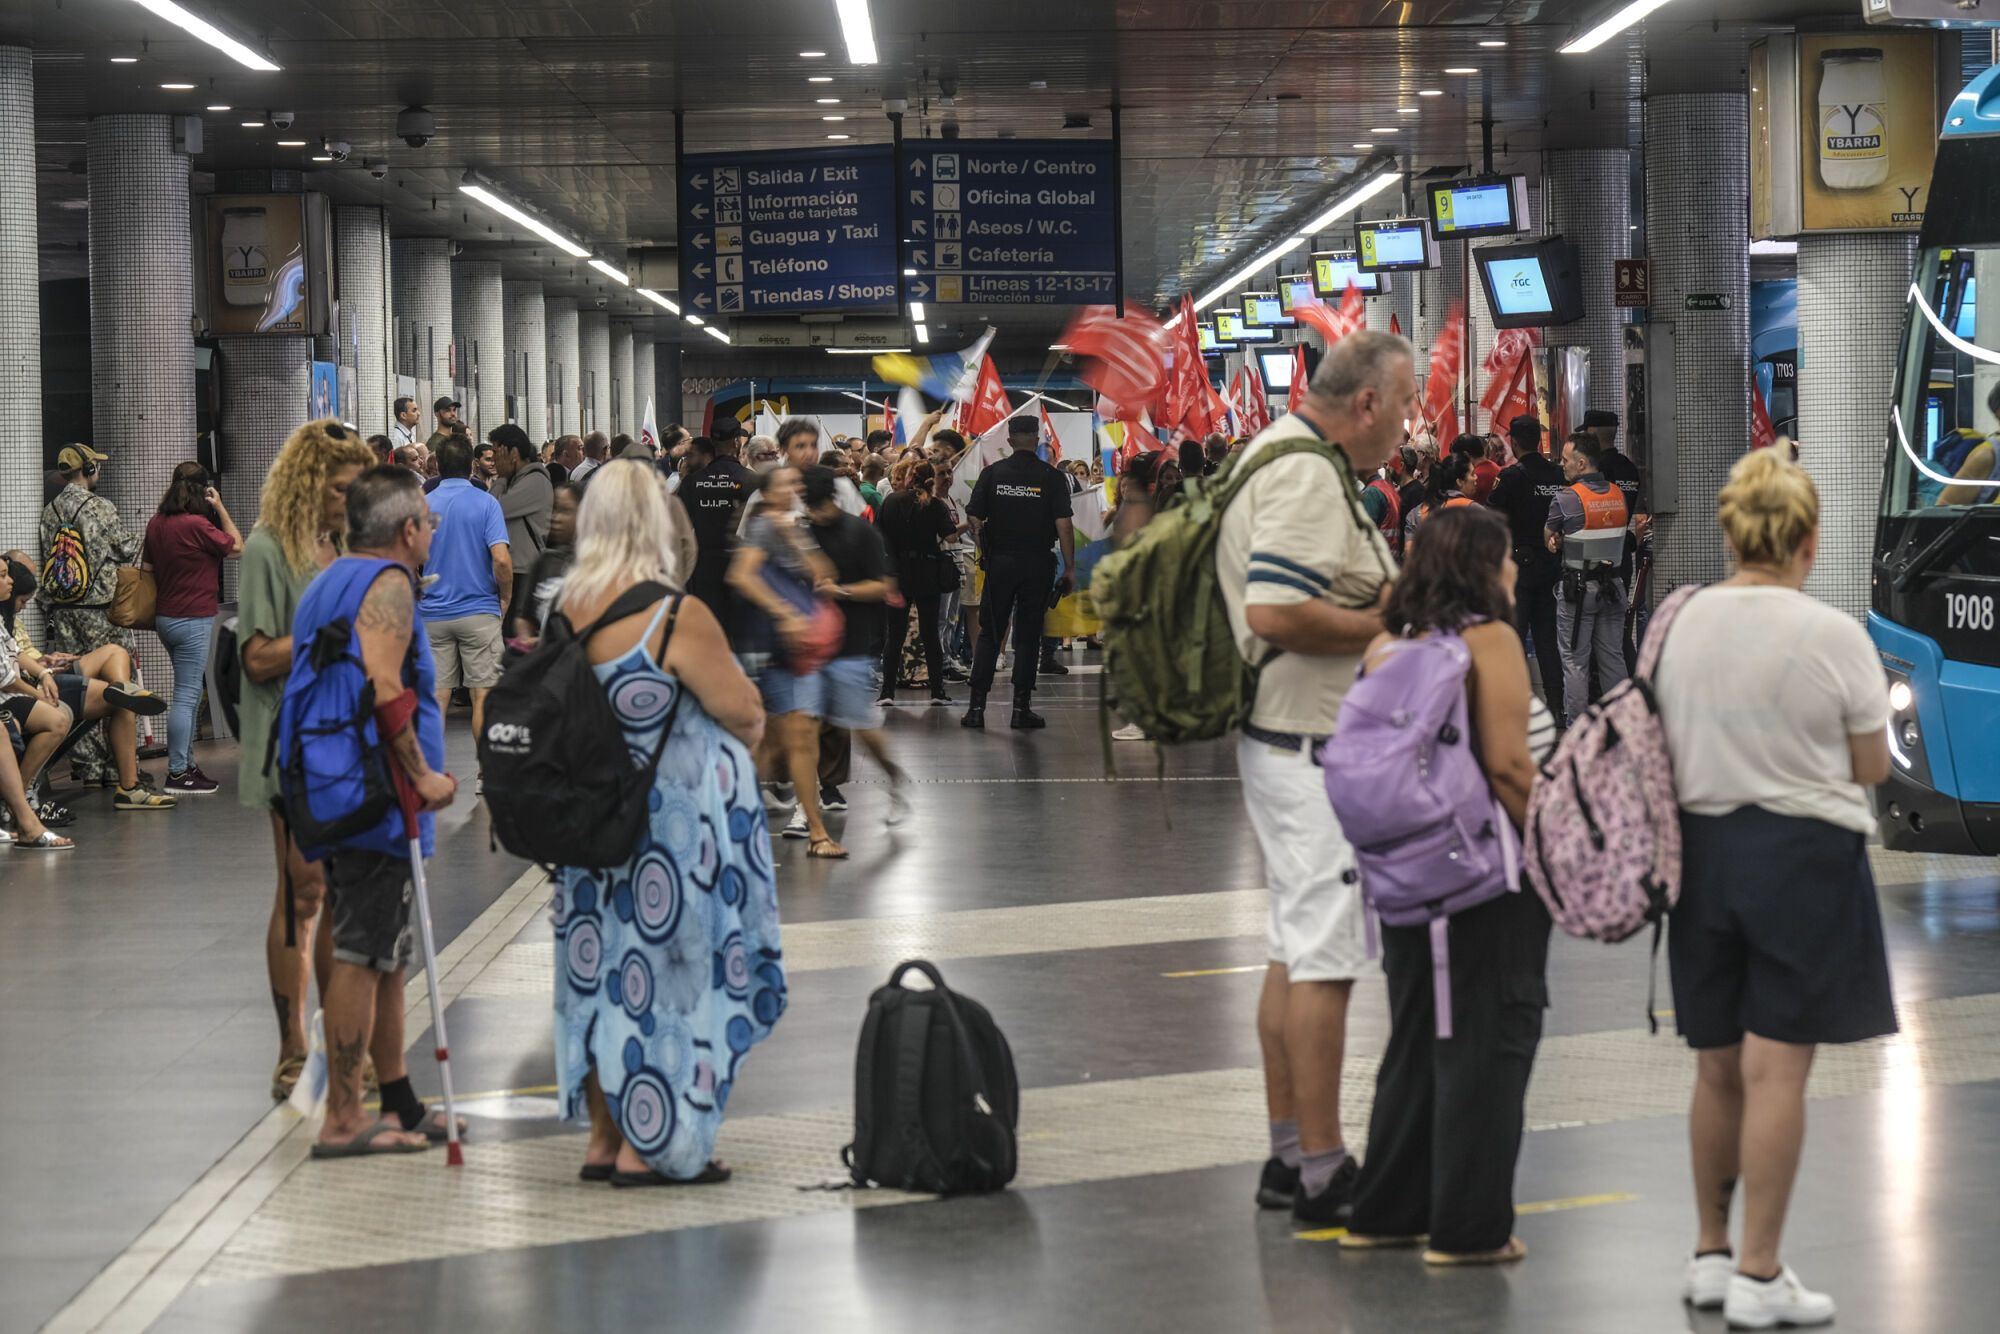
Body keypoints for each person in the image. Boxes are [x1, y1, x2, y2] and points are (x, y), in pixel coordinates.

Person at [1655, 450, 1895, 1329]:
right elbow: (1871, 764)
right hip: (1804, 860)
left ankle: (1713, 1256)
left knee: (1717, 1069)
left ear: (1729, 531)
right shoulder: (1831, 635)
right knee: (1777, 1071)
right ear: (1808, 539)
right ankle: (1763, 1272)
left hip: (1702, 857)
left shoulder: (1679, 625)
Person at [544, 461, 782, 1185]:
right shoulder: (675, 615)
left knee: (598, 974)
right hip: (670, 835)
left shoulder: (563, 609)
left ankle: (601, 1139)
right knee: (669, 982)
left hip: (585, 825)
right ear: (659, 524)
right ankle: (652, 1145)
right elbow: (743, 711)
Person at [1218, 330, 1407, 1225]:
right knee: (1324, 965)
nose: (1406, 430)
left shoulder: (1289, 457)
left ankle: (1288, 1153)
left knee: (1292, 953)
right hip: (1312, 754)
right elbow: (1275, 609)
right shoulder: (1302, 472)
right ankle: (1326, 1171)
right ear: (1367, 402)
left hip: (1289, 744)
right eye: (1404, 408)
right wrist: (1382, 626)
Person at [1341, 505, 1553, 1266]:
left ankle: (1386, 1212)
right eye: (1506, 557)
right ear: (1479, 566)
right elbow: (1507, 766)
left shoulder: (1384, 646)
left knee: (1415, 1042)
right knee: (1490, 1044)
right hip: (1487, 878)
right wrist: (1561, 850)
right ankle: (1469, 1229)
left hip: (1404, 874)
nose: (1517, 569)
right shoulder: (1489, 640)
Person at [290, 465, 460, 1159]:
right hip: (376, 793)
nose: (432, 532)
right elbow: (385, 685)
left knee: (387, 952)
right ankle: (340, 1117)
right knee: (362, 952)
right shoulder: (388, 584)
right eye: (426, 521)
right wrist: (424, 778)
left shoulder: (330, 579)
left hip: (334, 785)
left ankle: (397, 1101)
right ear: (407, 530)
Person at [236, 420, 377, 1100]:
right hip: (289, 744)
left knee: (344, 893)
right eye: (339, 490)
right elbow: (257, 656)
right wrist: (322, 635)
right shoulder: (268, 549)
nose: (348, 501)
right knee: (303, 889)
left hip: (351, 741)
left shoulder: (351, 547)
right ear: (309, 483)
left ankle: (343, 1040)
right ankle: (292, 1044)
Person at [727, 466, 844, 857]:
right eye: (785, 484)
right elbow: (741, 576)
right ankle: (813, 831)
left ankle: (800, 827)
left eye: (796, 483)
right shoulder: (762, 528)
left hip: (793, 649)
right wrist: (784, 612)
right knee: (790, 739)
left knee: (786, 740)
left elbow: (822, 574)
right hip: (773, 647)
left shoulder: (793, 526)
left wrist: (794, 536)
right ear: (767, 492)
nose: (795, 488)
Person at [802, 467, 912, 821]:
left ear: (832, 499)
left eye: (817, 504)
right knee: (802, 725)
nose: (813, 512)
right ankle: (810, 802)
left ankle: (895, 778)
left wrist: (841, 591)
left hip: (849, 646)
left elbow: (884, 587)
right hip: (806, 647)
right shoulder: (799, 534)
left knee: (860, 726)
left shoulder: (861, 532)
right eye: (807, 505)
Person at [39, 443, 147, 789]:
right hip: (100, 609)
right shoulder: (100, 507)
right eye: (95, 466)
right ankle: (119, 768)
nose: (98, 471)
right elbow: (127, 547)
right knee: (116, 686)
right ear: (86, 470)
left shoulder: (50, 510)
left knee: (79, 687)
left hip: (63, 609)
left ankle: (87, 766)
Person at [962, 416, 1075, 731]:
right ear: (1036, 440)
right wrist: (1070, 568)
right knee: (1028, 637)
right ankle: (1020, 709)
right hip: (1037, 564)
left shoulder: (992, 474)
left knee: (989, 633)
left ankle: (975, 709)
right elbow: (1064, 526)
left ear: (1010, 440)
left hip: (999, 564)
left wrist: (981, 536)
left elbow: (973, 516)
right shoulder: (1051, 477)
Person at [144, 461, 243, 794]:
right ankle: (176, 773)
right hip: (193, 618)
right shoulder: (198, 525)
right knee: (186, 697)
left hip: (166, 619)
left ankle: (187, 765)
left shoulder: (156, 523)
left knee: (185, 692)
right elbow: (237, 546)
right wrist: (220, 505)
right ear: (203, 491)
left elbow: (146, 568)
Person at [421, 438, 512, 759]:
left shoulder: (426, 504)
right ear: (471, 465)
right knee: (483, 695)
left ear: (439, 467)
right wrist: (505, 597)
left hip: (432, 613)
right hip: (479, 612)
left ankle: (428, 769)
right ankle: (486, 773)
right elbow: (501, 559)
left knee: (436, 697)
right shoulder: (486, 503)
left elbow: (416, 556)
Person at [1544, 430, 1629, 726]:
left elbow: (1550, 537)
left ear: (1581, 463)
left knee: (1575, 663)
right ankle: (1623, 727)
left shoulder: (1567, 499)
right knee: (1612, 659)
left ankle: (1578, 734)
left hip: (1579, 592)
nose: (1561, 464)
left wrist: (1557, 542)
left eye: (1566, 460)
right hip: (1614, 587)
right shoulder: (1619, 494)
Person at [1489, 413, 1568, 720]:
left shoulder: (1511, 477)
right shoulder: (1557, 474)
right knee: (1548, 639)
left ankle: (1515, 707)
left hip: (1520, 568)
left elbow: (1491, 514)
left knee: (1514, 637)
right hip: (1551, 564)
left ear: (1514, 441)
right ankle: (1557, 706)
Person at [875, 461, 957, 707]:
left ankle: (887, 692)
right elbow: (950, 536)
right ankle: (937, 692)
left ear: (910, 477)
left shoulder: (891, 501)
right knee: (930, 633)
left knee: (895, 634)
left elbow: (879, 534)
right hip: (927, 572)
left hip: (898, 572)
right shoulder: (936, 505)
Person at [682, 425, 755, 625]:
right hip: (740, 566)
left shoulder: (692, 482)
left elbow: (680, 526)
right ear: (737, 443)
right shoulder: (750, 480)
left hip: (703, 567)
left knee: (708, 625)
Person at [507, 482, 582, 647]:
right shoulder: (545, 562)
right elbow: (524, 616)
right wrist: (528, 640)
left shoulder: (599, 566)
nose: (555, 518)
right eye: (555, 509)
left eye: (565, 511)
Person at [490, 423, 554, 560]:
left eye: (496, 452)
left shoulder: (535, 481)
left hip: (525, 569)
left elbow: (491, 509)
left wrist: (501, 478)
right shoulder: (515, 480)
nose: (494, 459)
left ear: (513, 453)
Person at [1402, 446, 1477, 549]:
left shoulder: (1417, 513)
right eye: (1472, 474)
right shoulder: (1476, 512)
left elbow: (1409, 551)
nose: (1476, 477)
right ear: (1459, 481)